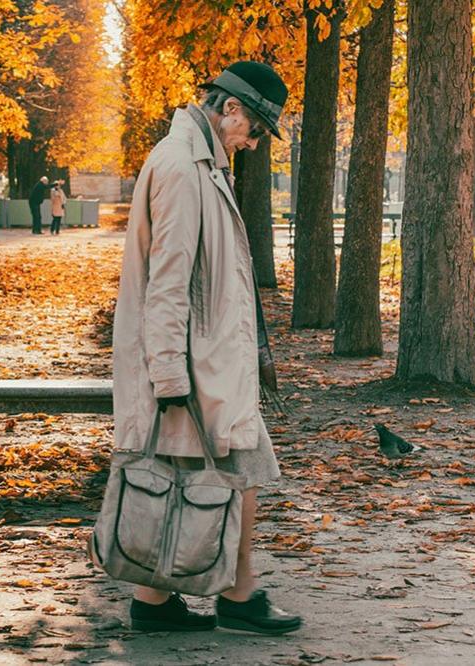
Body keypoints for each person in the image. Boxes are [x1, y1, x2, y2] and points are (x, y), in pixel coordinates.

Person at [112, 61, 301, 635]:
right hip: (196, 366)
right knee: (240, 474)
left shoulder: (198, 162)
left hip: (205, 361)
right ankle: (238, 599)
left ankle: (153, 602)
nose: (254, 142)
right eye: (257, 129)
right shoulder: (184, 166)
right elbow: (166, 283)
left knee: (182, 480)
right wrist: (169, 378)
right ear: (232, 110)